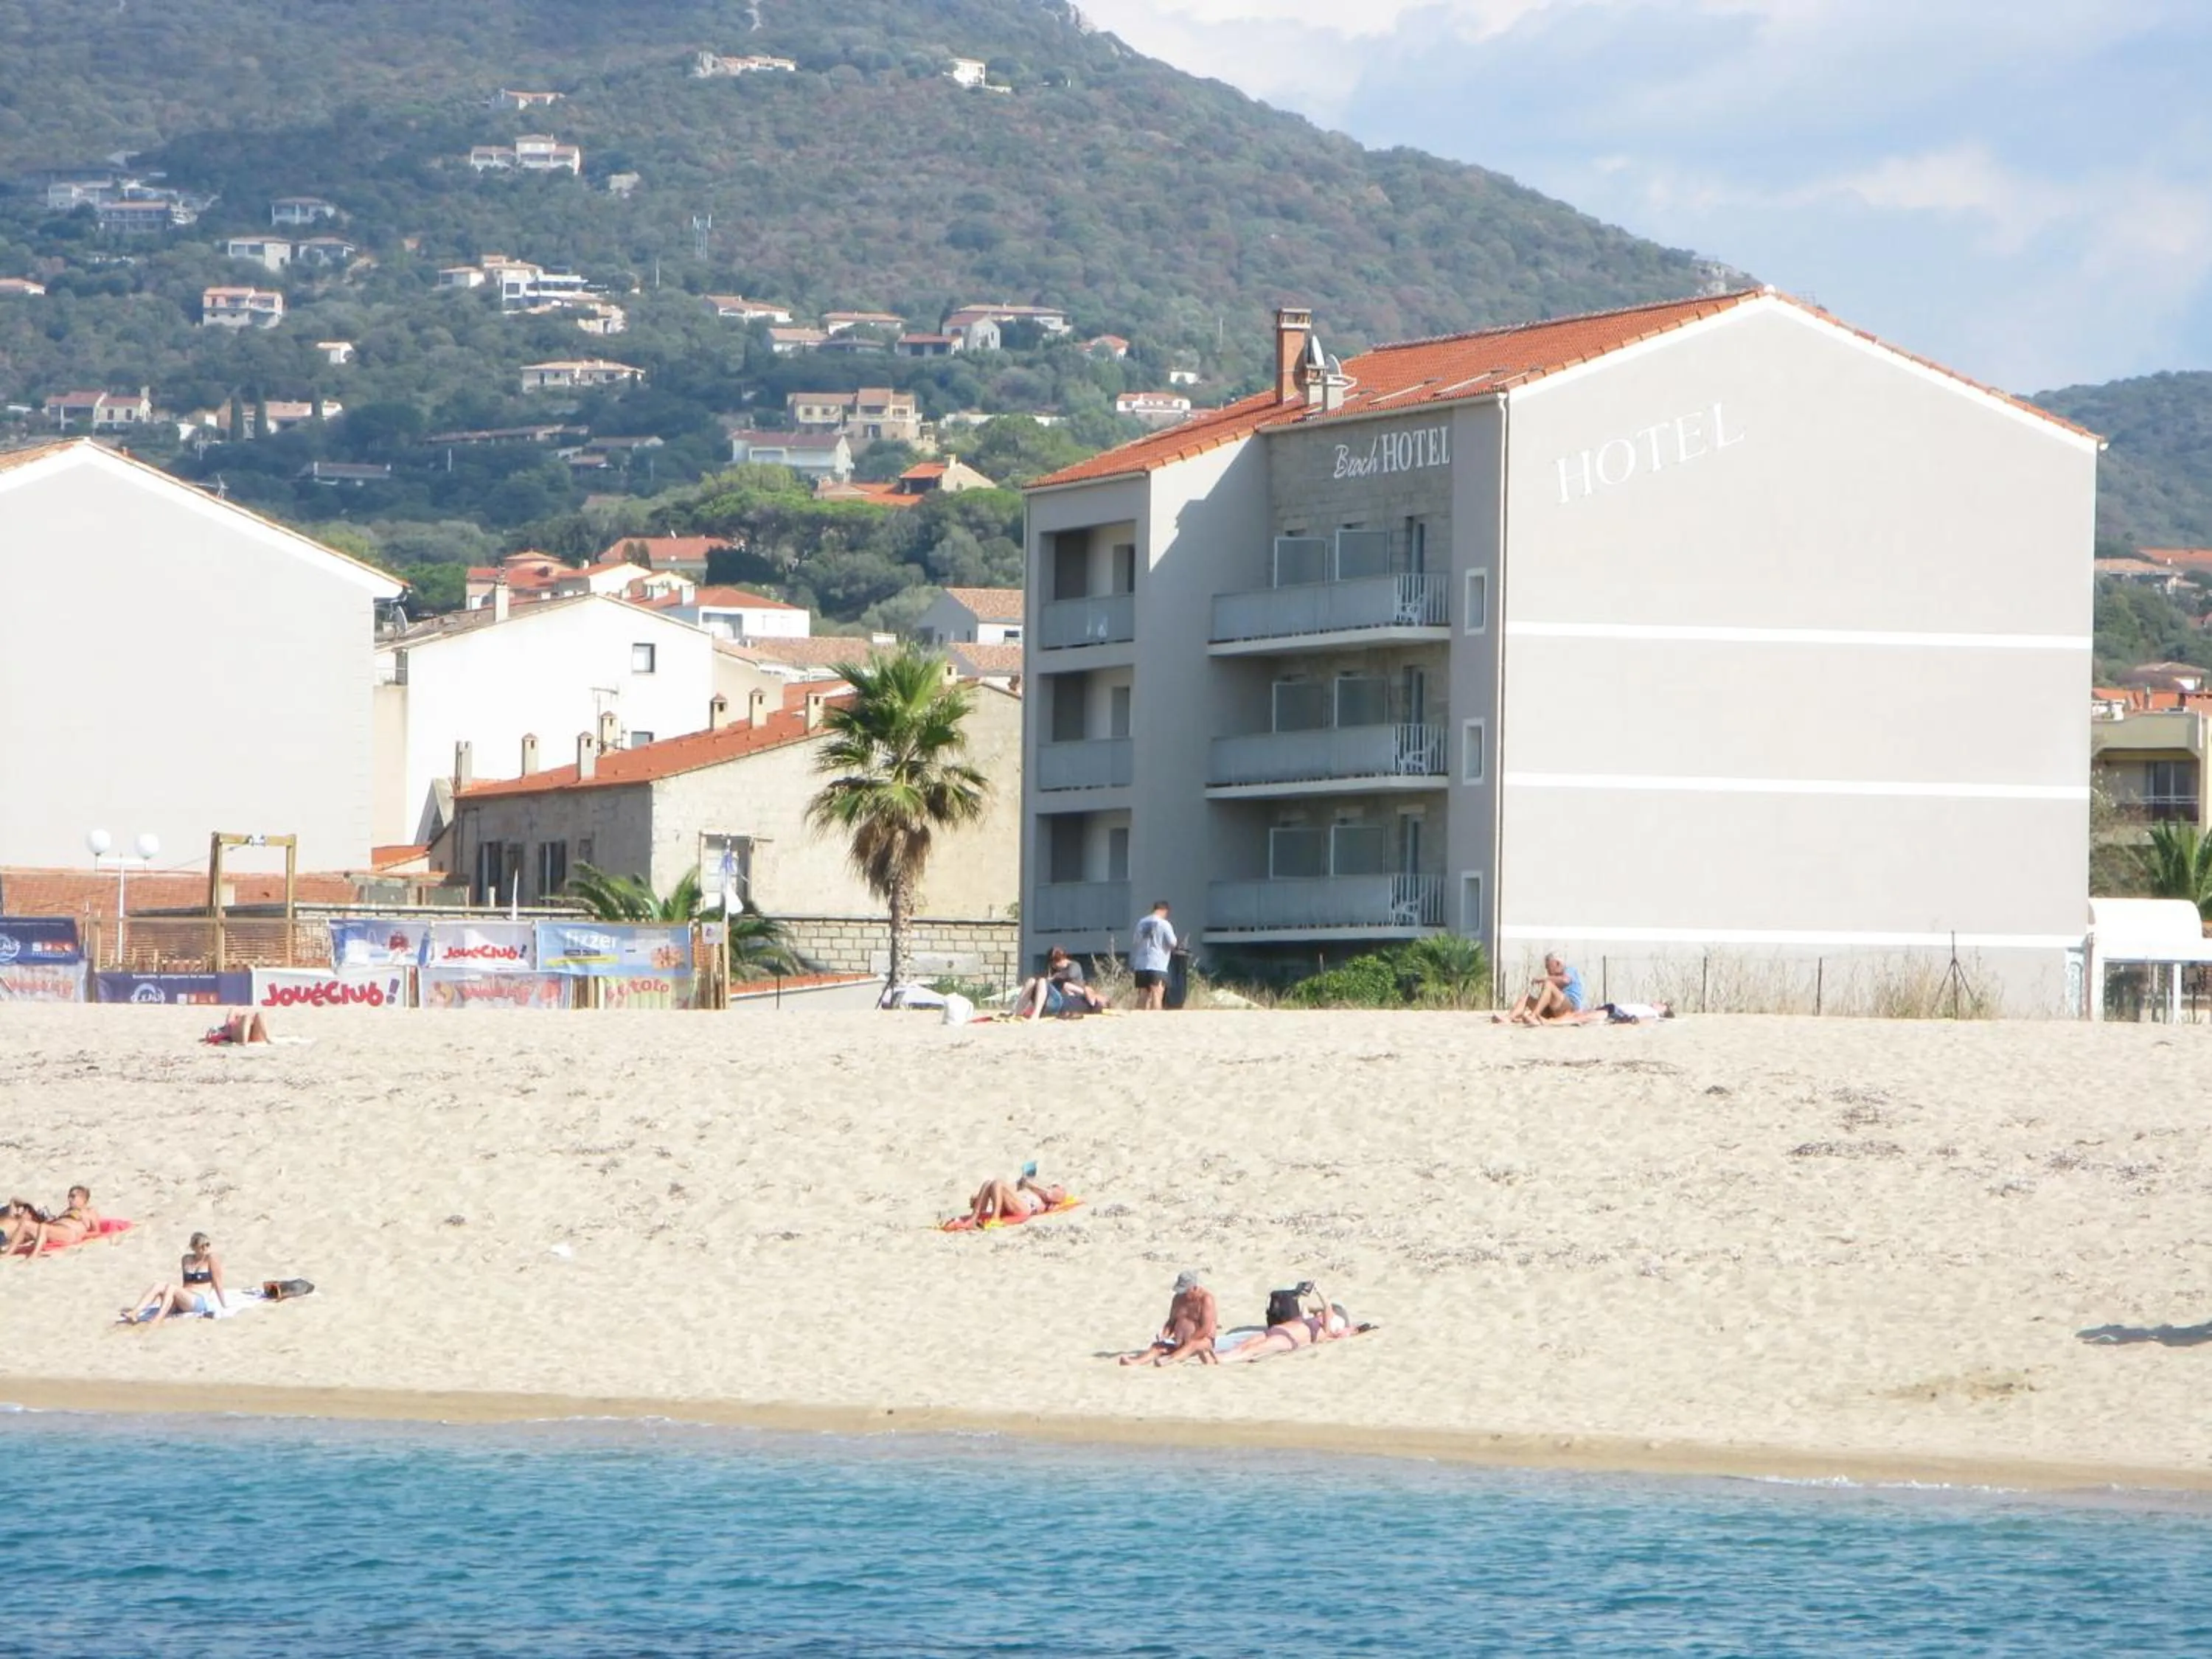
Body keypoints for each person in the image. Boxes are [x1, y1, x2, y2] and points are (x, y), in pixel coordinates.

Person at [1221, 1284, 1360, 1364]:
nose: (1321, 1316)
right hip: (1279, 1330)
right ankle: (1216, 1359)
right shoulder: (1310, 1320)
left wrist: (1319, 1290)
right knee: (1243, 1347)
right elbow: (1308, 1307)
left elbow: (1328, 1307)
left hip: (1288, 1340)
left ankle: (1220, 1362)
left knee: (1250, 1351)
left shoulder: (1324, 1331)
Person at [124, 1232, 228, 1327]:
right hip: (185, 1297)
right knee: (158, 1285)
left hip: (198, 1299)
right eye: (202, 1246)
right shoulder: (186, 1259)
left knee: (172, 1287)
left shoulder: (211, 1259)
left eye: (207, 1245)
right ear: (194, 1247)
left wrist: (224, 1305)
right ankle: (135, 1312)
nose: (205, 1248)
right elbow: (185, 1283)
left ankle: (158, 1319)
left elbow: (217, 1282)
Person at [1120, 1270, 1219, 1366]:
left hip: (1202, 1341)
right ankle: (1137, 1362)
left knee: (1193, 1345)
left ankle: (1168, 1360)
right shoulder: (1178, 1299)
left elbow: (1206, 1328)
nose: (1183, 1294)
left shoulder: (1206, 1299)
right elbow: (1171, 1322)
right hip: (1179, 1341)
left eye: (1185, 1291)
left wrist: (1190, 1340)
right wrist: (1164, 1335)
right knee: (1157, 1346)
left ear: (1194, 1288)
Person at [1015, 947, 1105, 1019]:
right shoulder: (1060, 973)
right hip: (1055, 997)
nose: (1054, 967)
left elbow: (1071, 976)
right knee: (1031, 981)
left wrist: (1055, 977)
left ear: (1057, 961)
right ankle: (1016, 1012)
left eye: (1053, 964)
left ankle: (1036, 1015)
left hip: (1062, 1000)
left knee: (1043, 981)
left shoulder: (1074, 966)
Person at [1497, 954, 1587, 1025]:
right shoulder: (1554, 978)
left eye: (1549, 966)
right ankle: (1509, 1017)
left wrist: (1544, 979)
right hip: (1555, 1009)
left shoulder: (1569, 970)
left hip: (1570, 1007)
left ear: (1557, 963)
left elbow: (1565, 980)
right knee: (1527, 998)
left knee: (1548, 984)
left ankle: (1534, 1016)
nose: (1547, 970)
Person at [12, 1186, 100, 1259]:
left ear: (83, 1199)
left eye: (73, 1196)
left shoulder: (89, 1212)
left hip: (69, 1233)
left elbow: (97, 1232)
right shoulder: (67, 1211)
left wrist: (83, 1235)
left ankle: (35, 1255)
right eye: (69, 1196)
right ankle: (9, 1252)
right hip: (55, 1230)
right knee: (25, 1224)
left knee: (44, 1227)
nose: (70, 1199)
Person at [961, 1172, 1068, 1227]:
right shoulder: (1036, 1190)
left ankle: (995, 1219)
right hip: (1014, 1205)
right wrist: (982, 1196)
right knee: (989, 1183)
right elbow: (1007, 1190)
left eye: (1055, 1186)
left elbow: (1050, 1196)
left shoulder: (1056, 1194)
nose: (1052, 1186)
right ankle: (974, 1217)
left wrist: (1029, 1185)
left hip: (1026, 1209)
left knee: (998, 1182)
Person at [1130, 900, 1178, 1012]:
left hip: (1141, 964)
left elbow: (1136, 941)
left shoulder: (1141, 922)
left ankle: (1139, 1019)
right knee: (1157, 992)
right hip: (1157, 963)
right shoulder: (1164, 924)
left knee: (1143, 994)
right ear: (1164, 911)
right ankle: (1156, 1018)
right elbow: (1173, 942)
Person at [204, 1011, 272, 1046]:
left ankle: (267, 1038)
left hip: (254, 1036)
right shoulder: (230, 1023)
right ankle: (244, 1042)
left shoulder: (233, 1023)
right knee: (246, 1017)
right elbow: (232, 1012)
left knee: (260, 1014)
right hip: (240, 1037)